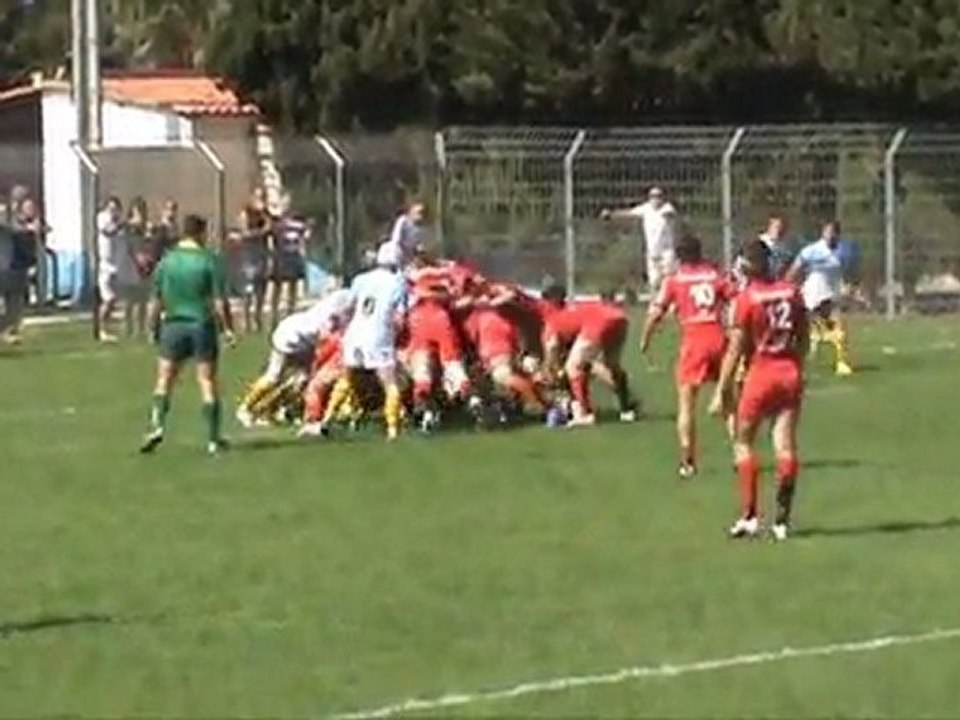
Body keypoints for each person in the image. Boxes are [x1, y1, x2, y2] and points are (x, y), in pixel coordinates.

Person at [709, 239, 808, 542]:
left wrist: (721, 390)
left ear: (747, 265)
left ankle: (750, 516)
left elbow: (735, 350)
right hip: (789, 371)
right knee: (785, 445)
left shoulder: (747, 298)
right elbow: (803, 338)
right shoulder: (792, 293)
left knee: (742, 441)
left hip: (761, 373)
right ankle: (782, 521)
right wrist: (798, 368)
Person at [640, 233, 737, 477]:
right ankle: (740, 452)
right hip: (719, 337)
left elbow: (656, 311)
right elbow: (736, 298)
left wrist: (645, 338)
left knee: (686, 404)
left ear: (679, 256)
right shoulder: (716, 275)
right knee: (728, 399)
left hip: (694, 340)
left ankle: (688, 460)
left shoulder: (674, 280)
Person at [140, 214, 236, 456]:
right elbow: (218, 301)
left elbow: (155, 300)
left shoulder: (167, 261)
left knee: (164, 380)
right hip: (201, 324)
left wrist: (151, 327)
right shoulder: (208, 260)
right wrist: (227, 329)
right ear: (201, 233)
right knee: (206, 380)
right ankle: (213, 439)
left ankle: (157, 425)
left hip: (173, 325)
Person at [319, 242, 408, 441]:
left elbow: (348, 307)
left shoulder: (361, 279)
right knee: (390, 383)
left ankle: (327, 419)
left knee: (347, 378)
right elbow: (399, 317)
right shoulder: (398, 282)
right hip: (378, 335)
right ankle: (393, 429)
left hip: (355, 333)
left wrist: (337, 325)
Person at [236, 283, 353, 430]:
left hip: (299, 335)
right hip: (291, 337)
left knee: (303, 378)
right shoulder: (341, 307)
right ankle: (246, 408)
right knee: (274, 377)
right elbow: (326, 338)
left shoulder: (341, 299)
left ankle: (275, 408)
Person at [541, 287, 637, 427]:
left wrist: (550, 367)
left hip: (598, 323)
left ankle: (584, 414)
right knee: (610, 365)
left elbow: (552, 346)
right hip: (619, 318)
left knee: (573, 367)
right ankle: (626, 409)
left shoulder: (552, 321)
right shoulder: (574, 308)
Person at [785, 220, 854, 377]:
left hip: (829, 296)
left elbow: (844, 272)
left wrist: (846, 286)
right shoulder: (813, 250)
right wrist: (786, 285)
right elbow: (796, 267)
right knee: (803, 329)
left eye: (833, 232)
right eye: (827, 232)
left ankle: (841, 362)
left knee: (838, 328)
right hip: (812, 295)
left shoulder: (843, 251)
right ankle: (798, 359)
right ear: (823, 233)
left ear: (838, 234)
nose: (829, 235)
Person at [601, 186, 677, 293]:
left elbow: (670, 214)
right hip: (652, 254)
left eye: (658, 196)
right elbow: (629, 213)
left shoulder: (667, 208)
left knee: (669, 281)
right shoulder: (646, 209)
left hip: (666, 254)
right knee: (654, 283)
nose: (656, 199)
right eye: (653, 196)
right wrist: (612, 215)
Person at [238, 189, 272, 332]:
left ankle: (257, 318)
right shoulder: (245, 214)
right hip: (249, 255)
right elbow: (244, 233)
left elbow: (271, 228)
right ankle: (245, 319)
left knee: (261, 289)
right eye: (258, 197)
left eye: (263, 197)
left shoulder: (265, 214)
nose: (261, 200)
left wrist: (265, 214)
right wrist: (261, 232)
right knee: (249, 289)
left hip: (262, 255)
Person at [96, 196, 125, 343]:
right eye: (111, 209)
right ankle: (101, 330)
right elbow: (109, 231)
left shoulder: (119, 221)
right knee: (109, 299)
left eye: (116, 209)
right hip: (105, 266)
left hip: (116, 266)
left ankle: (107, 328)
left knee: (113, 301)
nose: (113, 212)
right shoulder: (102, 218)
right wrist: (124, 224)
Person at [271, 211, 309, 323]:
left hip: (294, 256)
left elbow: (305, 238)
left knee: (293, 284)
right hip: (281, 256)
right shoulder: (278, 225)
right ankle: (275, 314)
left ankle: (291, 311)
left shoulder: (299, 226)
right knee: (278, 285)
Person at [122, 197, 152, 337]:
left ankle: (141, 328)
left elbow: (149, 244)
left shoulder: (146, 228)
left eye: (142, 211)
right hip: (131, 264)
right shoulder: (128, 227)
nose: (141, 214)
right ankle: (128, 326)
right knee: (131, 299)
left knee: (143, 299)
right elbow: (128, 245)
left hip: (144, 265)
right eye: (138, 211)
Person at [387, 201, 426, 266]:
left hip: (409, 258)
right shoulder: (403, 220)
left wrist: (421, 251)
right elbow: (396, 238)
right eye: (418, 212)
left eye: (422, 212)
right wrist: (394, 257)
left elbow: (417, 244)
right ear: (411, 211)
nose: (420, 215)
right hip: (399, 256)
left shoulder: (417, 227)